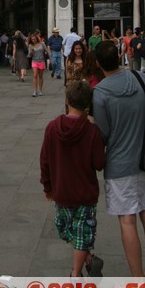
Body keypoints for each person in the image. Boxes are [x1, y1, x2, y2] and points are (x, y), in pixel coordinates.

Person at [93, 40, 145, 277]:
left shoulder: (100, 92)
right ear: (121, 56)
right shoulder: (141, 79)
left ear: (97, 63)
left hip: (119, 164)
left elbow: (102, 133)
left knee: (127, 221)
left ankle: (138, 278)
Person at [40, 80, 105, 277]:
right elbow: (99, 164)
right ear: (88, 105)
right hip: (86, 193)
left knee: (63, 227)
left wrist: (47, 187)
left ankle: (75, 273)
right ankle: (87, 257)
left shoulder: (52, 127)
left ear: (67, 100)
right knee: (81, 233)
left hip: (62, 191)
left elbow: (45, 161)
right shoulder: (92, 131)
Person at [28, 32, 48, 97]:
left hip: (41, 61)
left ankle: (40, 90)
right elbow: (29, 55)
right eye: (32, 39)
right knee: (35, 75)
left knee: (40, 76)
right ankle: (35, 90)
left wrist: (50, 58)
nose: (33, 40)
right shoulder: (30, 46)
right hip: (34, 61)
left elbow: (47, 51)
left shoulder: (42, 44)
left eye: (34, 39)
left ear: (36, 38)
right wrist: (31, 52)